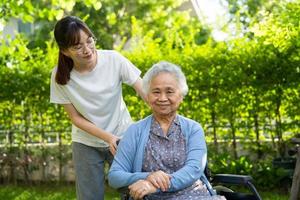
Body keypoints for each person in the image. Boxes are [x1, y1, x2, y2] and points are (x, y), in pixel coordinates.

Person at [50, 16, 145, 200]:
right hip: (86, 143)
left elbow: (143, 90)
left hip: (123, 136)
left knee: (137, 190)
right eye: (78, 46)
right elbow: (75, 118)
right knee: (89, 196)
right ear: (65, 51)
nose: (87, 50)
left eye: (89, 40)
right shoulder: (59, 76)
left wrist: (165, 111)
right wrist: (107, 137)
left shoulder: (114, 60)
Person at [108, 61, 225, 200]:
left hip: (194, 196)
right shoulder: (135, 131)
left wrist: (155, 185)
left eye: (169, 91)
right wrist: (148, 176)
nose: (162, 98)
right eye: (156, 92)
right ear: (147, 95)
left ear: (181, 96)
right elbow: (115, 176)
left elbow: (193, 169)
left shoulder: (193, 129)